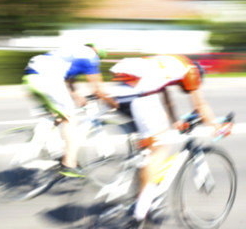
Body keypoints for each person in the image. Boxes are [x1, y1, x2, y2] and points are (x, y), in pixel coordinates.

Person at [108, 54, 220, 227]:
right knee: (162, 148)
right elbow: (201, 106)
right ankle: (141, 210)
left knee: (150, 151)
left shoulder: (171, 63)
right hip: (140, 94)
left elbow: (165, 96)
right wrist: (216, 125)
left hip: (122, 91)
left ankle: (145, 199)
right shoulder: (190, 70)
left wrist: (175, 120)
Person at [22, 43, 118, 178]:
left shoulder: (73, 52)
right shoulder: (91, 57)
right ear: (98, 53)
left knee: (58, 113)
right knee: (71, 119)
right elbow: (97, 89)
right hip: (47, 80)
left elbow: (69, 78)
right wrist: (113, 103)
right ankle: (69, 164)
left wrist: (76, 95)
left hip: (30, 78)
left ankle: (40, 142)